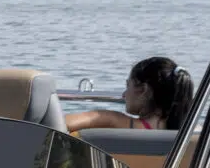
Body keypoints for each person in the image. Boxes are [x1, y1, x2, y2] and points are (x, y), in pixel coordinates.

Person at [64, 56, 196, 132]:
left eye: (128, 86)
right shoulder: (193, 132)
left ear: (143, 89)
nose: (123, 95)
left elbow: (57, 123)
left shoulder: (113, 121)